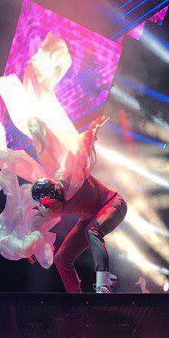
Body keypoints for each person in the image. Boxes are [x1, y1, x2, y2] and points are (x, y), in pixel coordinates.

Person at [31, 118, 127, 294]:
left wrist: (92, 129)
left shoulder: (71, 176)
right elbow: (35, 224)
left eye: (55, 205)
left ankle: (103, 283)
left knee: (93, 231)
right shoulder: (49, 206)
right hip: (90, 217)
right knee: (61, 259)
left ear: (58, 195)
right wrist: (31, 248)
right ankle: (76, 299)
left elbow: (81, 150)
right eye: (50, 207)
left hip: (113, 204)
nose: (55, 210)